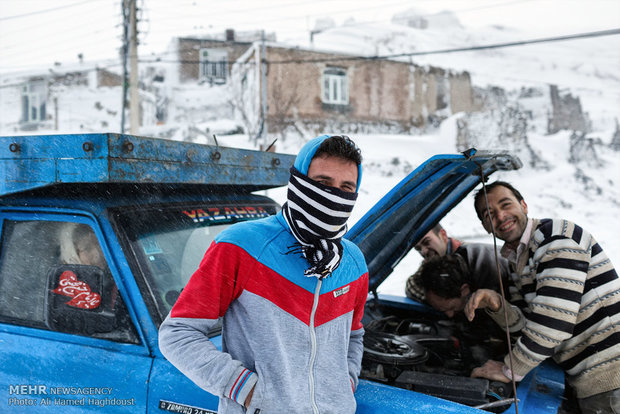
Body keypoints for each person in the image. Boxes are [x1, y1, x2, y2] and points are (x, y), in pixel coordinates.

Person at [158, 135, 369, 414]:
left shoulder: (352, 262)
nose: (334, 196)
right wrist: (247, 391)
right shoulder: (242, 246)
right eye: (322, 184)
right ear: (299, 182)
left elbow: (353, 336)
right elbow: (178, 334)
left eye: (346, 187)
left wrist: (345, 383)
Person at [467, 181, 620, 413]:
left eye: (505, 204)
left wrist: (509, 370)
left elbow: (553, 323)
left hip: (611, 378)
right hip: (592, 381)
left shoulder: (556, 237)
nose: (500, 216)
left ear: (524, 205)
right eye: (489, 214)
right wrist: (497, 305)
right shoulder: (519, 260)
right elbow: (529, 327)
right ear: (486, 226)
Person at [405, 224, 511, 303]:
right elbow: (411, 285)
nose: (424, 251)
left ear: (443, 235)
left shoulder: (473, 257)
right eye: (418, 249)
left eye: (427, 242)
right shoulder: (431, 260)